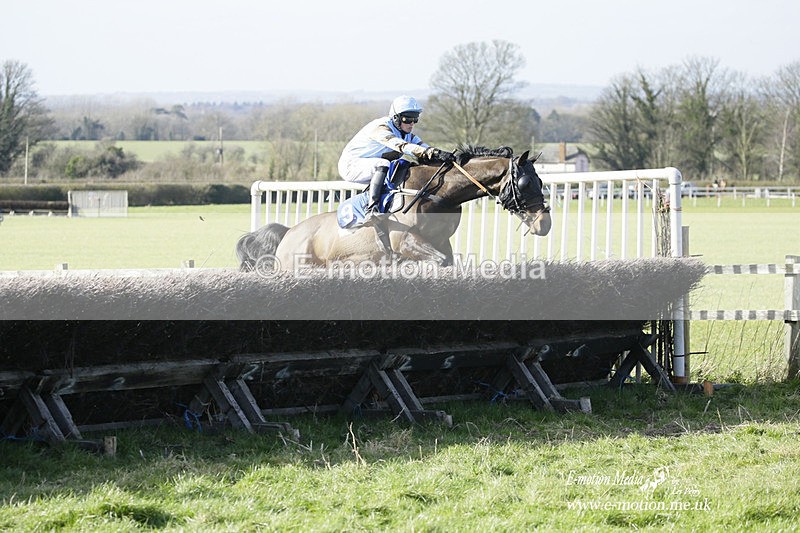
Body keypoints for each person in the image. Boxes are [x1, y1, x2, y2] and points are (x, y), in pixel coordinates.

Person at [337, 95, 455, 215]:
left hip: (369, 165)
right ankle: (372, 208)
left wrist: (441, 154)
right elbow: (403, 146)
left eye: (415, 119)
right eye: (407, 119)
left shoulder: (406, 133)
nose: (412, 124)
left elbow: (423, 147)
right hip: (351, 165)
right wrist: (431, 153)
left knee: (405, 165)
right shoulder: (381, 127)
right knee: (383, 163)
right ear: (396, 118)